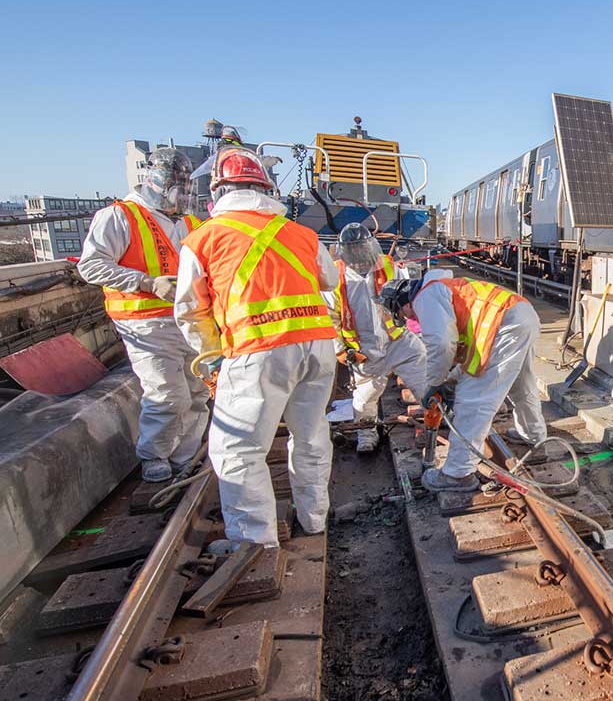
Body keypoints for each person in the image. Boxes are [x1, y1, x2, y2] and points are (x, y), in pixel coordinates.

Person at [174, 147, 340, 547]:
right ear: (266, 189)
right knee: (311, 435)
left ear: (218, 190)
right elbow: (331, 280)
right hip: (317, 346)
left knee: (238, 451)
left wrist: (213, 358)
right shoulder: (301, 234)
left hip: (257, 350)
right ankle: (314, 519)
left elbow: (190, 311)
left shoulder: (203, 238)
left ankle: (255, 545)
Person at [77, 148, 210, 483]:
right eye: (178, 187)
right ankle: (155, 455)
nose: (182, 196)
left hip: (188, 319)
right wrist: (147, 283)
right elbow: (91, 266)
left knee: (197, 392)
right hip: (146, 322)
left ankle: (184, 456)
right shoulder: (119, 216)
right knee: (167, 393)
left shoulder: (189, 223)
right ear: (157, 182)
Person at [379, 271, 547, 492]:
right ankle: (534, 436)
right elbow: (465, 350)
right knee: (521, 385)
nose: (412, 319)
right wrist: (449, 380)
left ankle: (457, 474)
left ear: (404, 303)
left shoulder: (424, 297)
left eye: (405, 315)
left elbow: (441, 345)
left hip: (504, 325)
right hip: (520, 315)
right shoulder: (444, 289)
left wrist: (434, 384)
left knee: (473, 400)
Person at [327, 223, 427, 452]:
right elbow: (330, 316)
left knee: (423, 378)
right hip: (363, 349)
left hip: (397, 340)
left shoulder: (388, 266)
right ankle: (366, 434)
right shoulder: (336, 276)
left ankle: (437, 418)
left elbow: (406, 300)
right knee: (364, 398)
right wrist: (339, 349)